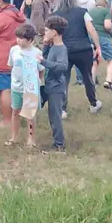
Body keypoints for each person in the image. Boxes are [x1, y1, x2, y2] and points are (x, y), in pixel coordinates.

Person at [52, 0, 103, 116]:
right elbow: (91, 30)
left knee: (64, 80)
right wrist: (98, 47)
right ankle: (93, 103)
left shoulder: (55, 14)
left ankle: (62, 109)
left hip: (64, 50)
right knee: (87, 77)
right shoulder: (82, 12)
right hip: (83, 49)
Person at [6, 23, 43, 147]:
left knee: (30, 115)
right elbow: (11, 65)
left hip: (30, 88)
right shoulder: (14, 50)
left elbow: (41, 69)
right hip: (16, 87)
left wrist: (38, 81)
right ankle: (14, 137)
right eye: (17, 37)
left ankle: (31, 138)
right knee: (15, 111)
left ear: (30, 40)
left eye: (21, 38)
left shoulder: (37, 52)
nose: (18, 40)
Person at [41, 16, 70, 153]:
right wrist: (45, 44)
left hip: (56, 88)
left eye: (47, 30)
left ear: (54, 32)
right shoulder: (53, 47)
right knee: (51, 116)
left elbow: (63, 66)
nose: (44, 33)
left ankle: (59, 146)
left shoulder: (61, 49)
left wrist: (44, 62)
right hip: (49, 85)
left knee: (55, 117)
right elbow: (44, 56)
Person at [90, 0, 112, 92]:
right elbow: (107, 26)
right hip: (102, 37)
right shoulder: (106, 12)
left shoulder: (89, 11)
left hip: (90, 38)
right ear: (106, 4)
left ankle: (92, 83)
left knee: (95, 61)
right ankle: (108, 81)